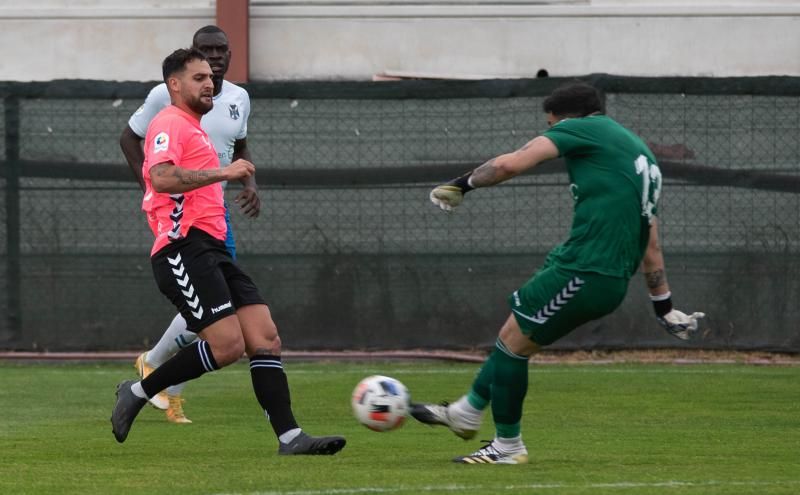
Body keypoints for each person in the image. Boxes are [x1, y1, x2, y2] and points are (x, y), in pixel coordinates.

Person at [411, 81, 704, 465]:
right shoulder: (637, 151)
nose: (551, 133)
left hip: (585, 269)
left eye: (552, 125)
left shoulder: (583, 129)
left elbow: (507, 164)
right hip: (599, 273)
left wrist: (459, 185)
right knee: (512, 334)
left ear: (569, 119)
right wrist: (663, 306)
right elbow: (651, 239)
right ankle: (467, 411)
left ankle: (507, 447)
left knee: (513, 346)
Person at [110, 47, 346, 456]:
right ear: (174, 84)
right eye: (198, 77)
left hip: (212, 249)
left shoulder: (196, 127)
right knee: (227, 346)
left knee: (265, 338)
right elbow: (162, 178)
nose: (209, 82)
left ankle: (291, 438)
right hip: (181, 249)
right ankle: (139, 390)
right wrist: (226, 171)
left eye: (211, 76)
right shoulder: (168, 121)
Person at [120, 25, 259, 423]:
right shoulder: (167, 96)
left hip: (215, 209)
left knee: (219, 306)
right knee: (216, 306)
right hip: (183, 216)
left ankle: (164, 377)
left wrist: (249, 182)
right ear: (190, 59)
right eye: (206, 51)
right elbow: (129, 139)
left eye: (222, 50)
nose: (215, 58)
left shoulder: (237, 98)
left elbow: (239, 146)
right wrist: (152, 187)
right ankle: (158, 368)